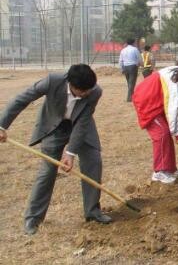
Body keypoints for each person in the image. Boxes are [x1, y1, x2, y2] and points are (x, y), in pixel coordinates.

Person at [0, 64, 111, 235]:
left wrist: (71, 152)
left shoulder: (95, 92)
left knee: (94, 162)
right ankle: (33, 218)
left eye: (89, 90)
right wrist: (2, 126)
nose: (86, 94)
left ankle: (93, 212)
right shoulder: (53, 81)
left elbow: (82, 123)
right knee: (47, 172)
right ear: (71, 84)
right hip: (54, 127)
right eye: (83, 91)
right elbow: (21, 99)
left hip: (81, 126)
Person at [132, 63, 178, 184]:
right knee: (162, 134)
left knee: (166, 133)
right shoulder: (175, 82)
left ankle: (170, 169)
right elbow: (173, 110)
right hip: (147, 100)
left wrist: (176, 131)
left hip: (156, 98)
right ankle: (159, 173)